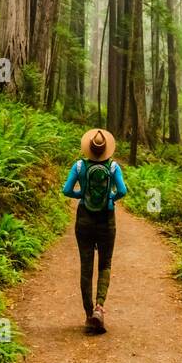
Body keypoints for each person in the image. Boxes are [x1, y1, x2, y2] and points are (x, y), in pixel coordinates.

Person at [61, 128, 128, 333]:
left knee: (86, 266)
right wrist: (110, 198)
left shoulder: (79, 166)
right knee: (105, 264)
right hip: (107, 220)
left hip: (84, 220)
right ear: (106, 149)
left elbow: (66, 190)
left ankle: (89, 314)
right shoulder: (114, 166)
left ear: (88, 149)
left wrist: (81, 194)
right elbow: (123, 191)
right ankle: (100, 307)